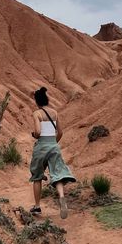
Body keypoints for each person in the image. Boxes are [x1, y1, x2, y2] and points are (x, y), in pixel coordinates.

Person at [29, 86, 76, 218]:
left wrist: (34, 134)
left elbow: (38, 132)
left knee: (37, 177)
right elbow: (60, 132)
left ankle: (37, 207)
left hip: (41, 147)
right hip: (53, 146)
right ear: (47, 100)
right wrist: (53, 143)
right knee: (57, 175)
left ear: (37, 102)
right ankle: (61, 196)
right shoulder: (55, 113)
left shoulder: (37, 113)